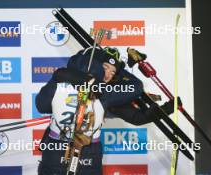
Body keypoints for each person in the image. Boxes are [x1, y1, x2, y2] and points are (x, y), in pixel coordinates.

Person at [36, 47, 176, 175]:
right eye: (105, 67)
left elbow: (136, 111)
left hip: (89, 155)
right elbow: (42, 105)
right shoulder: (64, 82)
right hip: (57, 151)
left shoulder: (106, 94)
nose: (108, 74)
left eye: (113, 72)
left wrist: (165, 110)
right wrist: (62, 76)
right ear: (94, 64)